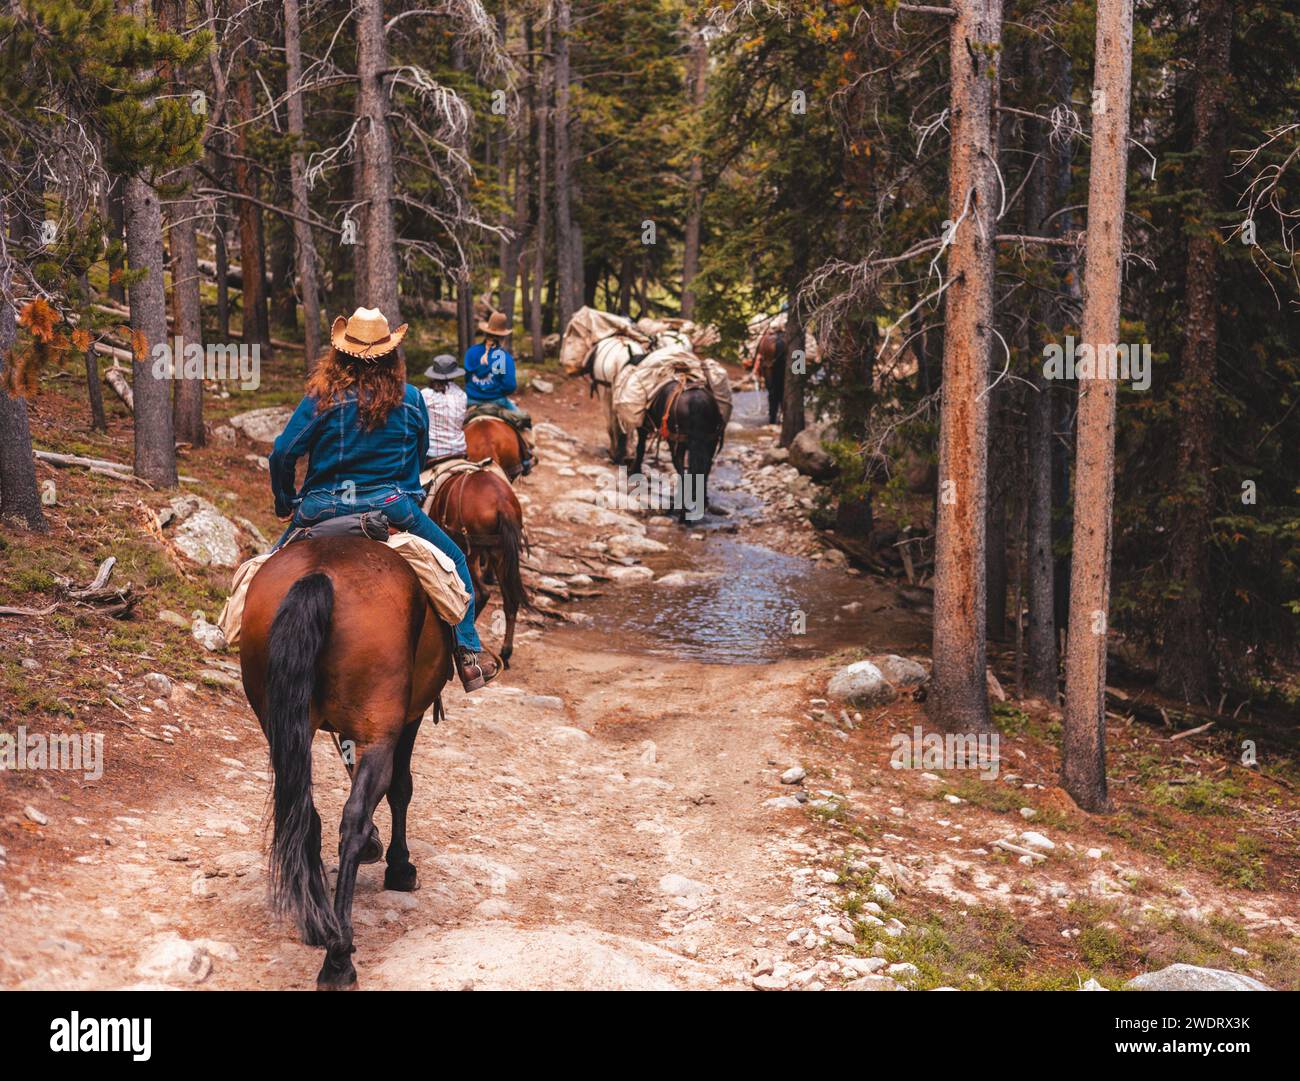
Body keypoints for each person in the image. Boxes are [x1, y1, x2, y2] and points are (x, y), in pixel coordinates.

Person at [268, 307, 498, 692]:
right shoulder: (409, 399)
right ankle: (469, 654)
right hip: (390, 506)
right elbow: (418, 454)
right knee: (456, 561)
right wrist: (407, 494)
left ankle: (243, 635)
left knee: (267, 571)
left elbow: (283, 452)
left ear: (340, 354)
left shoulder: (321, 397)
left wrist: (285, 500)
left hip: (320, 507)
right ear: (391, 355)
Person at [463, 310, 534, 473]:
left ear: (486, 331)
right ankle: (527, 458)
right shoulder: (501, 357)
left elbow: (467, 377)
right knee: (526, 425)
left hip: (471, 402)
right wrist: (494, 389)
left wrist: (478, 389)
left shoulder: (472, 352)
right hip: (498, 402)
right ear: (502, 336)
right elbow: (509, 385)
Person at [421, 354, 468, 462]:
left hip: (433, 452)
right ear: (454, 374)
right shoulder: (462, 395)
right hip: (459, 451)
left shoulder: (425, 394)